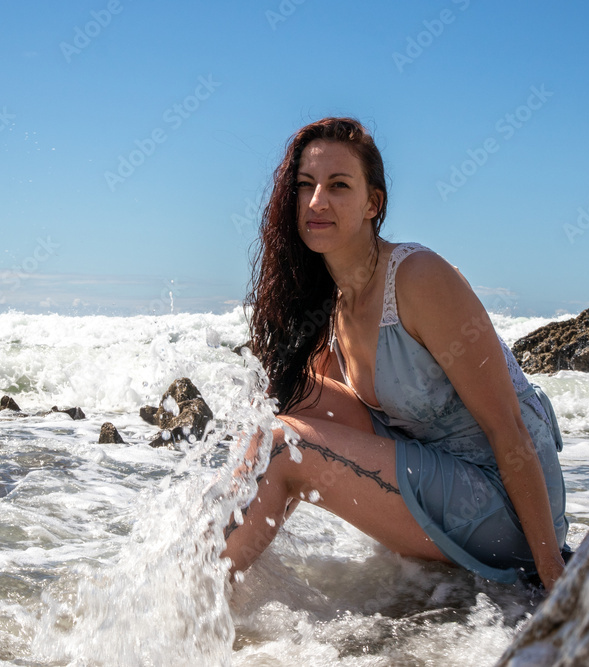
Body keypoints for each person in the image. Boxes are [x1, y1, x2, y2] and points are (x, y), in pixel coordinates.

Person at [221, 117, 568, 591]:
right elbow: (315, 424)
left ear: (372, 203)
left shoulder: (418, 278)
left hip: (509, 509)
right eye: (306, 185)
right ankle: (210, 568)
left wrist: (553, 577)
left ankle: (196, 606)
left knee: (285, 445)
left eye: (338, 185)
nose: (317, 201)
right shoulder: (332, 305)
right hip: (434, 476)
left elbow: (507, 426)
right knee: (279, 403)